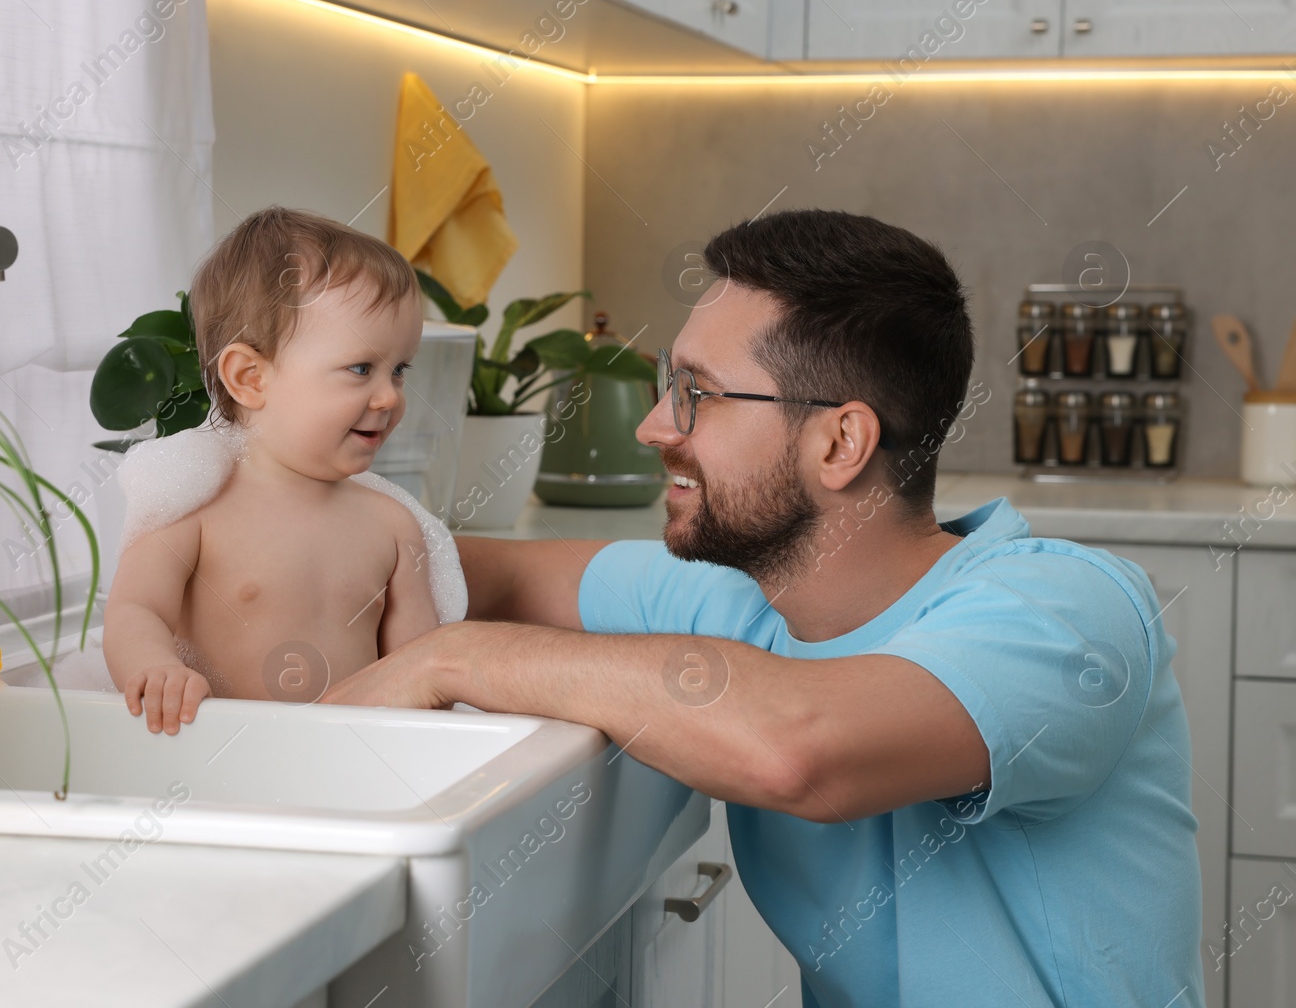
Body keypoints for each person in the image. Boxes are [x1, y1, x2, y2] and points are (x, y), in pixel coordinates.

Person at [321, 209, 1205, 1007]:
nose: (655, 426)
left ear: (839, 441)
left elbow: (800, 749)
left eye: (697, 394)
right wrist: (237, 540)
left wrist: (450, 658)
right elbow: (466, 569)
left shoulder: (1066, 612)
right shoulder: (738, 600)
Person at [104, 207, 446, 732]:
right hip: (225, 763)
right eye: (361, 368)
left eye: (398, 370)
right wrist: (157, 670)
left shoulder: (394, 526)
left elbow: (422, 669)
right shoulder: (194, 511)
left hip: (356, 765)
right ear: (250, 378)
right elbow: (134, 611)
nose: (388, 397)